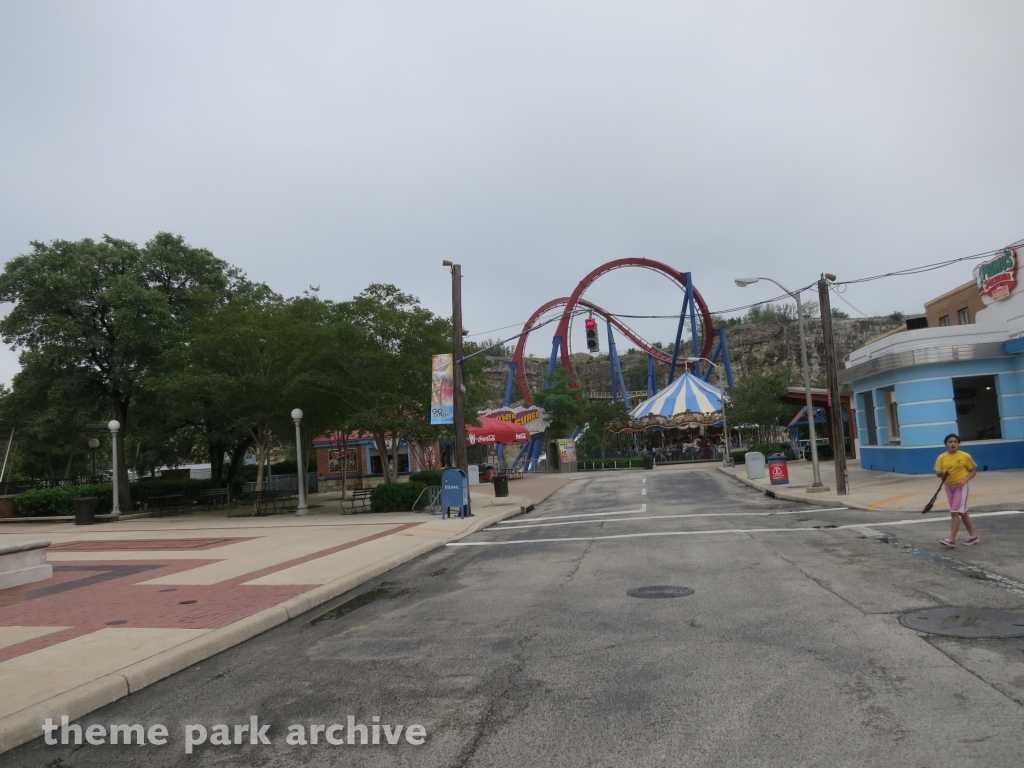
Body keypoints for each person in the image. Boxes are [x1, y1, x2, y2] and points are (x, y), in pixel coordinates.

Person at [934, 433, 979, 547]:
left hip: (961, 486)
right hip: (948, 486)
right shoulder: (942, 457)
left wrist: (965, 479)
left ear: (958, 444)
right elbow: (938, 473)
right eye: (950, 442)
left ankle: (951, 539)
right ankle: (973, 536)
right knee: (962, 512)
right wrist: (942, 472)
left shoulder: (965, 456)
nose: (953, 444)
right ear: (946, 444)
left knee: (955, 512)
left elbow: (973, 471)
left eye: (955, 442)